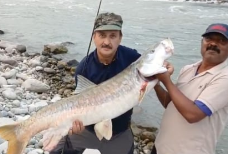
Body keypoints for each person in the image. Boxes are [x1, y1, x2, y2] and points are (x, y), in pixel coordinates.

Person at [49, 12, 141, 154]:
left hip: (119, 131)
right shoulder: (83, 68)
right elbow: (79, 101)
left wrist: (164, 71)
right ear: (94, 37)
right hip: (88, 128)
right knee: (56, 150)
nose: (107, 42)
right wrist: (76, 124)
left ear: (120, 38)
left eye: (112, 36)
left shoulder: (132, 59)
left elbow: (150, 73)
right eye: (102, 35)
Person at [151, 23, 228, 154]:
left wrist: (167, 80)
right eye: (209, 39)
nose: (213, 44)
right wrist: (156, 82)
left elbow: (193, 114)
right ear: (202, 42)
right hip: (160, 147)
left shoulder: (224, 78)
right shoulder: (188, 69)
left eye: (222, 41)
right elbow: (169, 103)